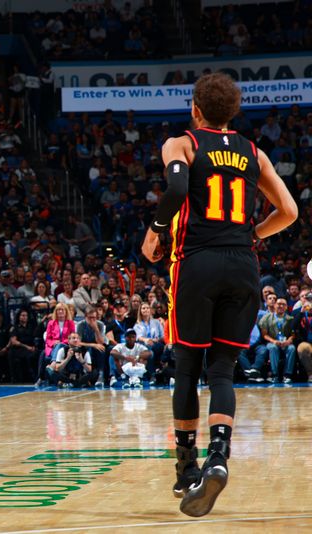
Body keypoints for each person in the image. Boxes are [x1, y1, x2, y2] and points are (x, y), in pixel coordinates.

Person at [141, 73, 297, 516]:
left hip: (198, 263)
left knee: (188, 365)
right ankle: (219, 456)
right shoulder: (254, 152)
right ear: (234, 113)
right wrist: (254, 234)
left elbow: (174, 189)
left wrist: (155, 232)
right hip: (244, 266)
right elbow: (289, 211)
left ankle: (187, 470)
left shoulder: (183, 143)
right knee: (224, 369)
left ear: (195, 109)